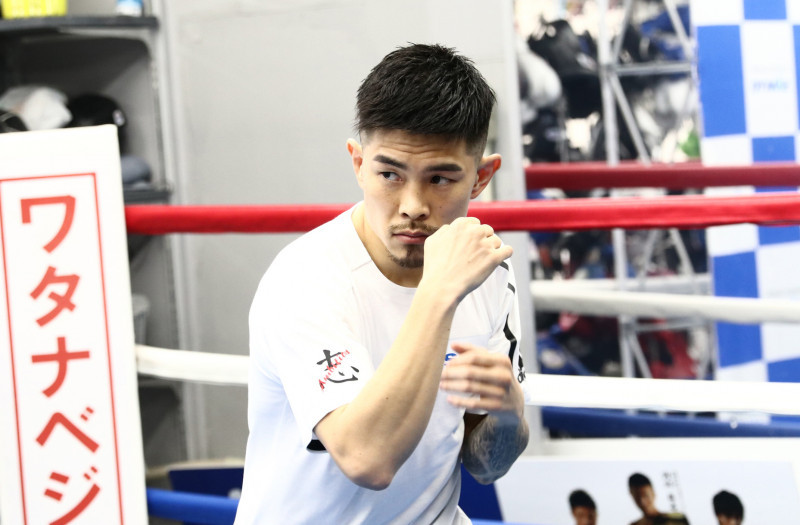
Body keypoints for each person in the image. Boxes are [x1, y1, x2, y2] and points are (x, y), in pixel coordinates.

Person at [233, 43, 529, 524]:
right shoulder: (306, 279)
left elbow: (485, 467)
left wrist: (510, 413)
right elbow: (367, 459)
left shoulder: (488, 271)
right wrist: (439, 291)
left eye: (440, 179)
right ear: (358, 163)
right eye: (390, 174)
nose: (412, 205)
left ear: (481, 178)